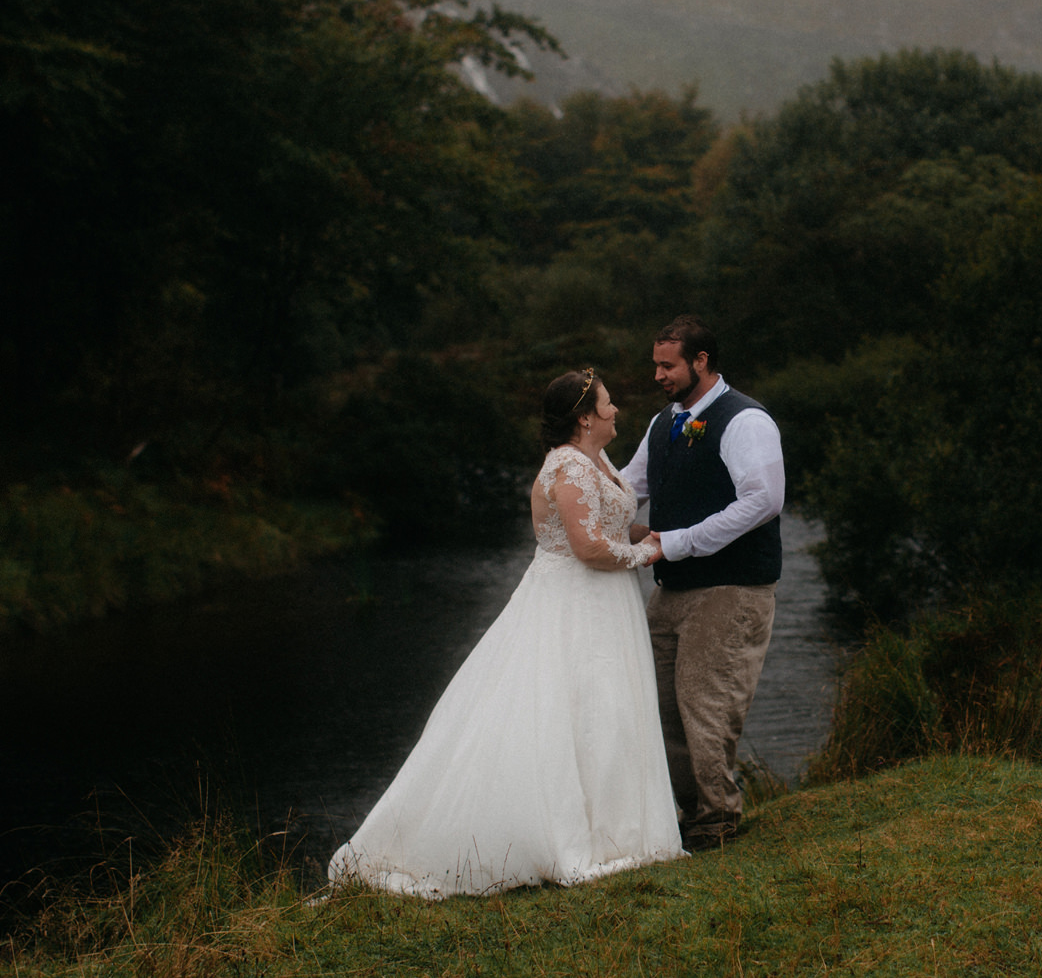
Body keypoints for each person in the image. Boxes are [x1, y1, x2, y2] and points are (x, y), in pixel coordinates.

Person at [327, 370, 684, 898]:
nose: (616, 411)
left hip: (605, 601)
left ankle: (617, 829)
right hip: (574, 602)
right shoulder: (567, 465)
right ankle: (555, 834)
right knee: (569, 707)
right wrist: (648, 553)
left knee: (608, 710)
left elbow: (605, 525)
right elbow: (586, 548)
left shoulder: (597, 461)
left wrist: (644, 534)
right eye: (608, 404)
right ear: (585, 417)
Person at [621, 315, 786, 851]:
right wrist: (571, 483)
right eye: (656, 366)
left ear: (702, 362)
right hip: (671, 591)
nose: (659, 376)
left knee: (705, 704)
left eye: (668, 366)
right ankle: (689, 817)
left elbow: (763, 502)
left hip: (732, 589)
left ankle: (717, 821)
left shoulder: (746, 421)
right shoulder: (662, 424)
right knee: (661, 705)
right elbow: (630, 488)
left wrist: (677, 541)